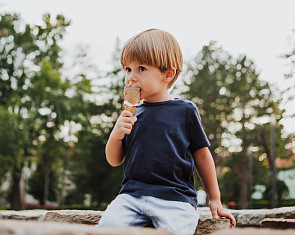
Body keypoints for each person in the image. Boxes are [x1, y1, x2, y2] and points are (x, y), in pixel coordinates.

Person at [98, 29, 236, 235]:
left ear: (168, 74)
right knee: (107, 229)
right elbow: (114, 160)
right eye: (128, 69)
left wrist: (214, 199)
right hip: (132, 196)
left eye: (141, 68)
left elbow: (202, 155)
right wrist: (115, 135)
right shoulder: (131, 114)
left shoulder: (185, 111)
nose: (131, 78)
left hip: (175, 198)